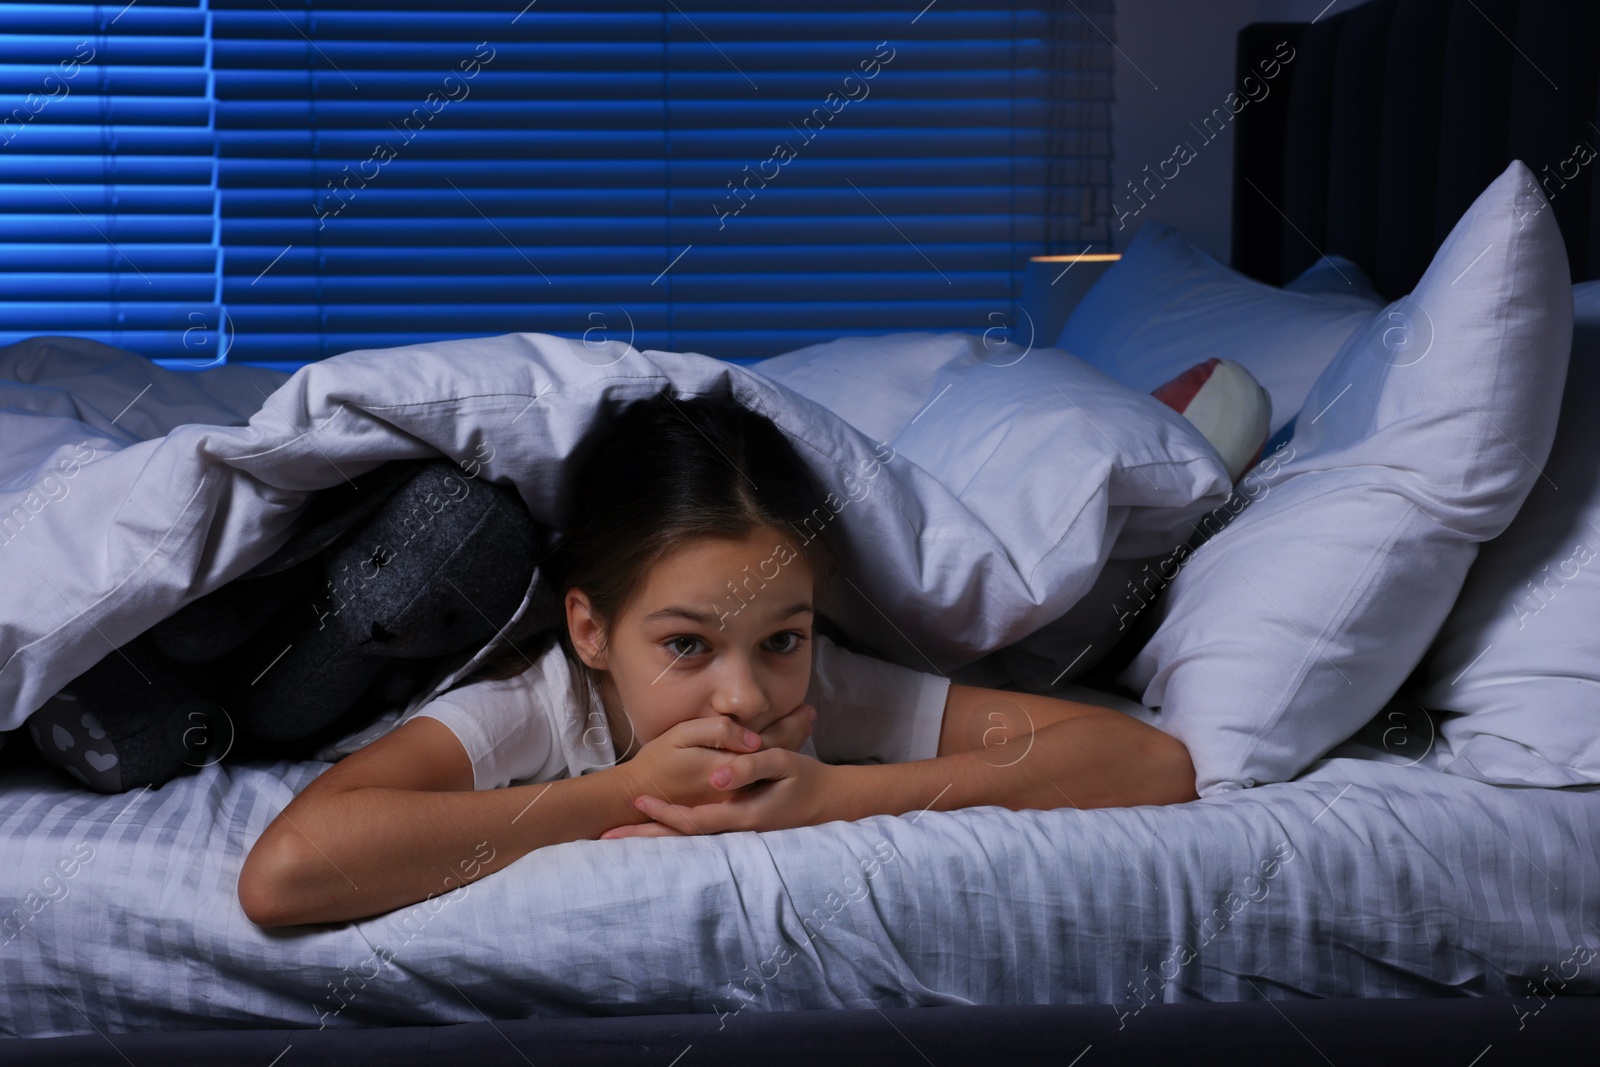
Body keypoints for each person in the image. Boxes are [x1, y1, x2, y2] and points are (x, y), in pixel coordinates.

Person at [237, 390, 1198, 928]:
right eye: (687, 643)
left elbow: (1148, 761)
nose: (745, 692)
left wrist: (834, 798)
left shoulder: (815, 692)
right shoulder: (540, 704)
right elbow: (282, 876)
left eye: (782, 636)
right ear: (592, 631)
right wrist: (625, 793)